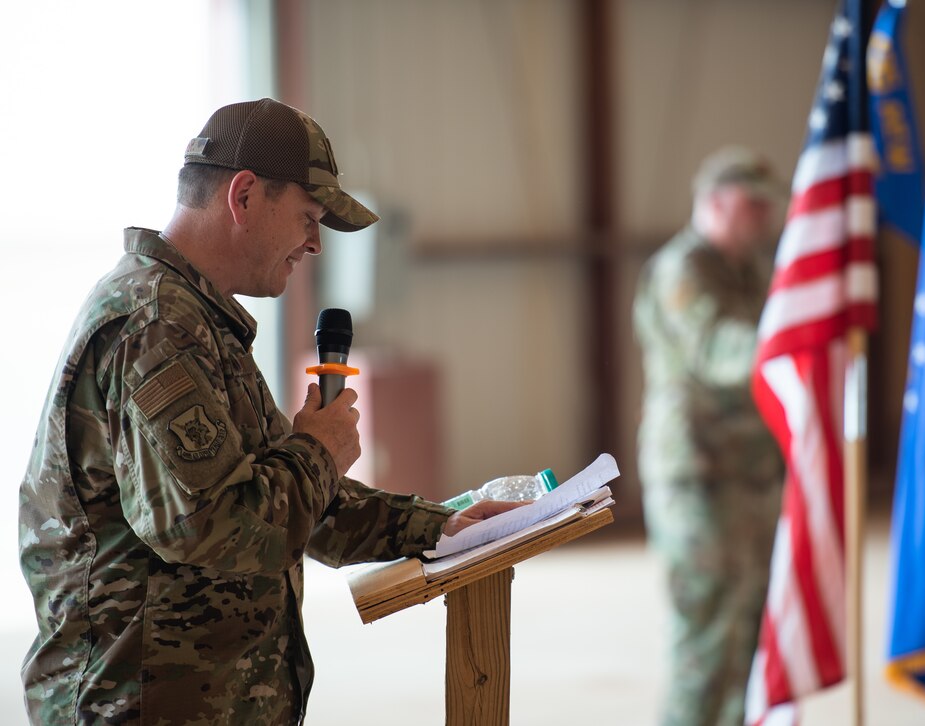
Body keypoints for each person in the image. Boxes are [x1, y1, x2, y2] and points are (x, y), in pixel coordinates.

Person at [18, 98, 521, 725]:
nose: (314, 244)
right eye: (308, 217)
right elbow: (213, 524)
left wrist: (442, 527)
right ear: (245, 196)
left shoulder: (195, 322)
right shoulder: (154, 326)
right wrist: (315, 450)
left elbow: (289, 505)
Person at [633, 147, 786, 726]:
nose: (765, 219)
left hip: (749, 470)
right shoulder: (685, 269)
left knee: (748, 631)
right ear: (716, 201)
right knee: (705, 638)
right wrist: (795, 347)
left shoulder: (749, 268)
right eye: (754, 205)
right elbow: (721, 350)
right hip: (696, 475)